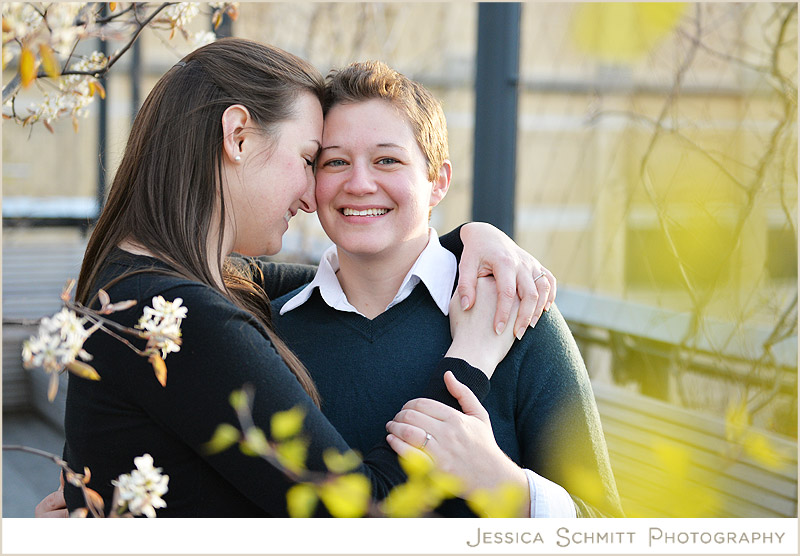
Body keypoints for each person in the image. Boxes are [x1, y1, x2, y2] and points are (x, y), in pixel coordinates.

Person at [46, 38, 555, 518]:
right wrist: (470, 360)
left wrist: (465, 240)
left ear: (436, 179)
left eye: (387, 161)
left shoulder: (133, 282)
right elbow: (356, 514)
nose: (313, 196)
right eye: (315, 159)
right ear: (238, 137)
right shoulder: (182, 317)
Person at [270, 60, 624, 517]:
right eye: (335, 161)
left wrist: (506, 486)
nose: (359, 183)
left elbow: (610, 527)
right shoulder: (271, 333)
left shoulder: (513, 313)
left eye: (387, 160)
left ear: (438, 181)